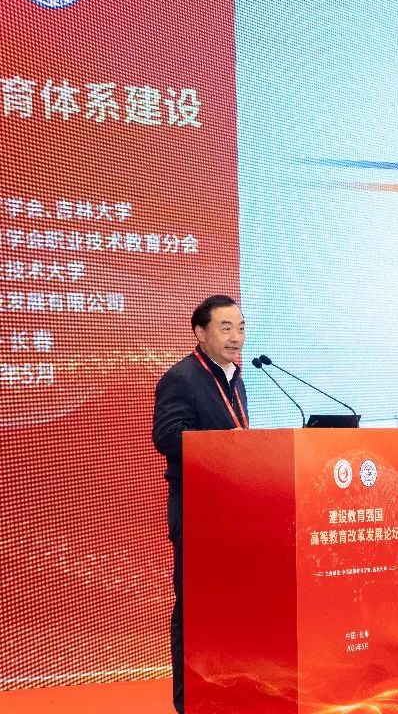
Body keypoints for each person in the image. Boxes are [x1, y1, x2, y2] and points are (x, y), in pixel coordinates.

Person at [152, 295, 248, 714]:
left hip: (236, 509)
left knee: (233, 606)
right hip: (197, 508)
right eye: (225, 328)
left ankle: (228, 694)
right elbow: (167, 437)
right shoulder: (182, 378)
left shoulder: (236, 378)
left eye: (241, 328)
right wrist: (227, 445)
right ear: (200, 333)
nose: (236, 337)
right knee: (196, 608)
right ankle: (189, 702)